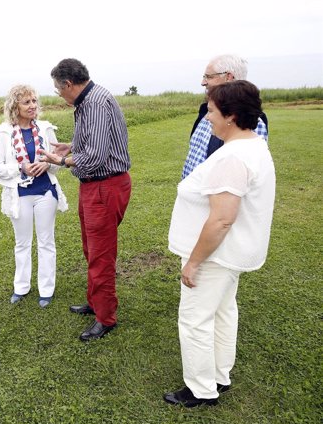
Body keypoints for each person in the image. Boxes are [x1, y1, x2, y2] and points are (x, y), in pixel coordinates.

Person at [164, 80, 275, 407]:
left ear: (231, 115)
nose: (207, 117)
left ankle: (200, 389)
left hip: (216, 256)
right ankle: (219, 375)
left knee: (195, 319)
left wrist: (194, 261)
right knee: (224, 311)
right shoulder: (252, 145)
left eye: (211, 111)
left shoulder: (233, 158)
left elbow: (222, 219)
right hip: (230, 255)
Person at [39, 58, 132, 341]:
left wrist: (63, 159)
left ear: (68, 84)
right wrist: (73, 145)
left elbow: (96, 157)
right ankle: (95, 302)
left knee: (100, 254)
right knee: (91, 249)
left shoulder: (93, 103)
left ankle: (105, 318)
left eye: (58, 90)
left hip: (105, 185)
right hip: (96, 186)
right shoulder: (91, 99)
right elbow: (94, 144)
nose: (60, 95)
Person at [0, 85, 69, 308]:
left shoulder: (45, 129)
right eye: (27, 102)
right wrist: (20, 168)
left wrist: (47, 163)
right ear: (15, 106)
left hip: (45, 192)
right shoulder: (4, 132)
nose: (32, 105)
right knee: (22, 243)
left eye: (34, 101)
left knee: (46, 241)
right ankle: (21, 287)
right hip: (20, 194)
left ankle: (47, 289)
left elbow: (57, 161)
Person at [182, 54, 269, 179]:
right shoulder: (205, 111)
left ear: (229, 77)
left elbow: (240, 175)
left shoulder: (250, 121)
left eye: (209, 77)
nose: (203, 82)